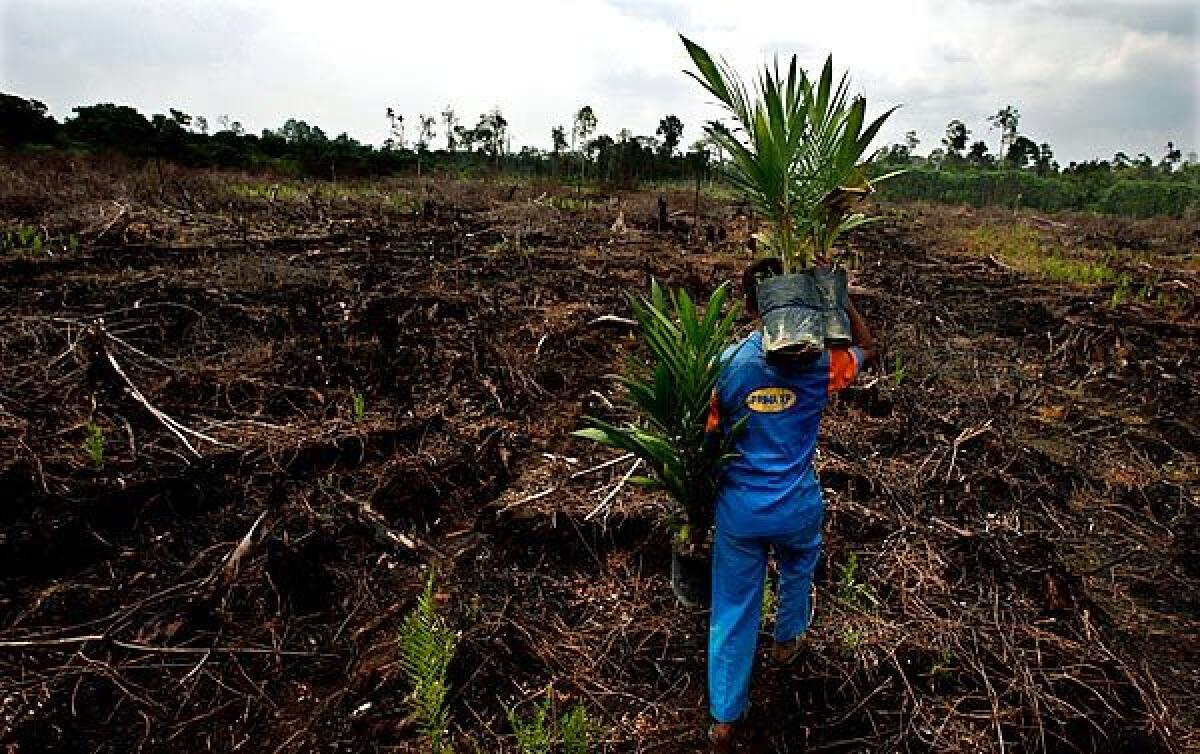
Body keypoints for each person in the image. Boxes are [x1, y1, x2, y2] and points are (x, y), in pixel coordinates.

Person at [706, 257, 876, 751]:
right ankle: (786, 641)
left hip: (741, 511)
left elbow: (707, 440)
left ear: (748, 304)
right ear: (800, 295)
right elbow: (868, 348)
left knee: (734, 608)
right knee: (799, 564)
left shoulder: (727, 365)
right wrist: (838, 298)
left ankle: (724, 719)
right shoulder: (820, 363)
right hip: (797, 506)